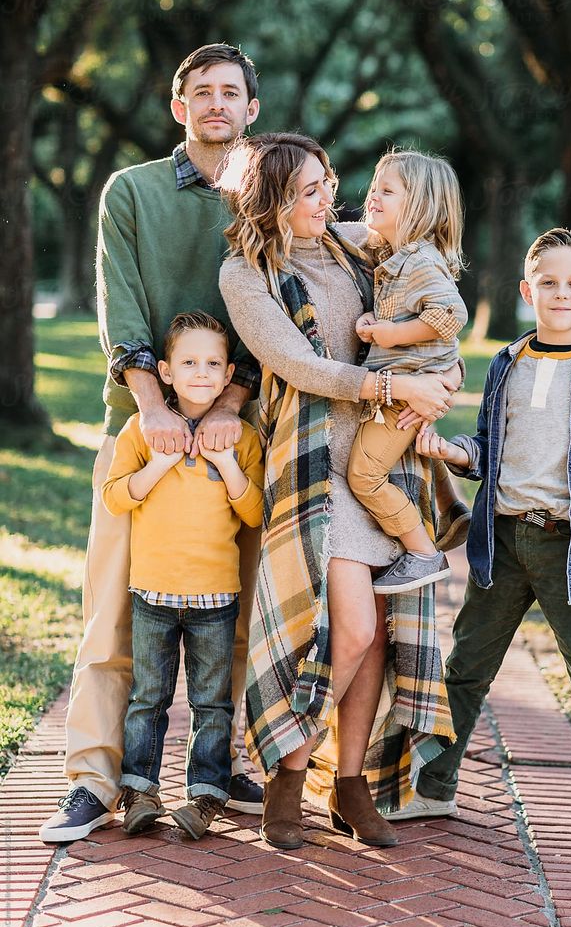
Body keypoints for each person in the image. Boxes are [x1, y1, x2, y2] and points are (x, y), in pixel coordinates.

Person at [40, 44, 264, 843]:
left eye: (229, 92)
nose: (215, 104)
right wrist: (152, 405)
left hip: (237, 435)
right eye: (200, 92)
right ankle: (95, 780)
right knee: (113, 614)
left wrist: (232, 402)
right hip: (139, 429)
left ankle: (220, 764)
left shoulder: (263, 200)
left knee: (234, 613)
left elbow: (267, 311)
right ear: (179, 108)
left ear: (250, 111)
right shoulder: (129, 191)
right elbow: (121, 302)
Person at [218, 132, 457, 852]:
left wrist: (445, 375)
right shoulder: (246, 273)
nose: (331, 201)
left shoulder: (357, 246)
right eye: (310, 192)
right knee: (347, 628)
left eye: (329, 183)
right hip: (320, 469)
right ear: (271, 203)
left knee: (381, 633)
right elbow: (294, 364)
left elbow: (430, 285)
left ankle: (350, 786)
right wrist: (393, 383)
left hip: (389, 463)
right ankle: (290, 772)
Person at [393, 227, 571, 869]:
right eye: (547, 283)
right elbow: (490, 447)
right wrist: (455, 453)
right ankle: (435, 786)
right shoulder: (508, 362)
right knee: (465, 669)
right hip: (503, 542)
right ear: (526, 290)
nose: (560, 294)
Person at [102, 312, 263, 840]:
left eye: (213, 363)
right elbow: (115, 495)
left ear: (229, 374)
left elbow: (255, 513)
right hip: (152, 592)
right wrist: (160, 465)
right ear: (165, 373)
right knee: (149, 697)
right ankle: (141, 793)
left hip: (216, 598)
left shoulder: (240, 436)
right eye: (189, 362)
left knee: (211, 703)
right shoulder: (142, 430)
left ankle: (206, 797)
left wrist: (228, 463)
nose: (201, 372)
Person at [348, 150, 469, 594]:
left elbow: (451, 314)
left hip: (404, 389)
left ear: (418, 207)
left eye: (387, 190)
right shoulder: (394, 255)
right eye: (374, 186)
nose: (372, 196)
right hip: (410, 379)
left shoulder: (418, 262)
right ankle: (452, 509)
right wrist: (377, 327)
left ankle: (423, 551)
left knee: (364, 475)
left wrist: (390, 337)